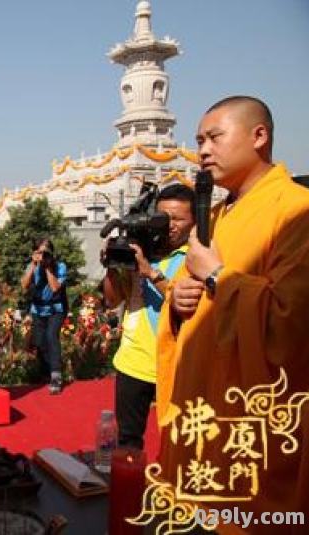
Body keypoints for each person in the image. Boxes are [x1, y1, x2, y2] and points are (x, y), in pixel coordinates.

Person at [157, 96, 309, 531]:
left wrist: (218, 277)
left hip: (248, 420)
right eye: (199, 140)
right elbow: (196, 297)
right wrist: (178, 301)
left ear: (258, 136)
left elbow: (289, 323)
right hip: (200, 415)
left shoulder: (296, 211)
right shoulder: (215, 214)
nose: (202, 149)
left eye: (214, 137)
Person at [101, 184, 195, 450]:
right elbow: (112, 300)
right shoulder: (140, 250)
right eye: (164, 218)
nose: (170, 225)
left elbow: (189, 305)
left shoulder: (195, 257)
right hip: (133, 363)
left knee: (181, 441)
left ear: (195, 221)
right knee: (128, 442)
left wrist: (151, 273)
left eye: (178, 219)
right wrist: (111, 266)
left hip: (177, 365)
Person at [21, 237, 68, 394]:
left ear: (52, 253)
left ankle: (56, 375)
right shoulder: (32, 266)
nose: (42, 255)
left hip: (56, 309)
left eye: (45, 252)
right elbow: (24, 285)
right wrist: (34, 265)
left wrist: (48, 267)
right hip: (38, 310)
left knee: (51, 336)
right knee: (40, 342)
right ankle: (46, 372)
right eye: (39, 252)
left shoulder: (60, 267)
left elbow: (55, 288)